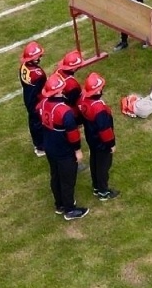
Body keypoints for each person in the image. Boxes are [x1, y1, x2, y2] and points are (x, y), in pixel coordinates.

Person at [37, 74, 88, 220]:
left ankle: (59, 204)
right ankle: (70, 210)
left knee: (55, 176)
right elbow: (73, 135)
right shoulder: (65, 112)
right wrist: (77, 150)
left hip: (50, 147)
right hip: (64, 151)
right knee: (67, 180)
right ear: (58, 91)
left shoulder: (43, 103)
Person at [79, 73, 119, 201]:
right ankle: (103, 191)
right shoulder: (98, 108)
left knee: (95, 161)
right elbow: (105, 130)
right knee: (103, 166)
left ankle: (96, 186)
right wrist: (111, 144)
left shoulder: (84, 100)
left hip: (91, 137)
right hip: (101, 142)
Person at [19, 40, 47, 157]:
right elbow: (42, 90)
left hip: (27, 96)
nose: (39, 57)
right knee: (38, 122)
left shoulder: (23, 66)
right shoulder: (38, 74)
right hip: (36, 100)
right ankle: (40, 147)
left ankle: (37, 143)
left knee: (33, 120)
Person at [53, 49, 85, 115]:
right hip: (69, 110)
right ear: (73, 68)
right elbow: (73, 102)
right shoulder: (72, 85)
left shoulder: (58, 70)